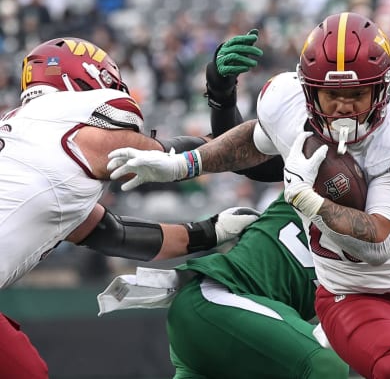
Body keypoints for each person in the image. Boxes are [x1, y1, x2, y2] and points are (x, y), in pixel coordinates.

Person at [105, 12, 390, 378]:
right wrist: (181, 160)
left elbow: (379, 242)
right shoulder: (299, 131)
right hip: (247, 297)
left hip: (275, 304)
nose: (343, 108)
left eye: (356, 93)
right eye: (331, 95)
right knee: (342, 365)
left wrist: (309, 201)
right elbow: (252, 150)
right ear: (308, 93)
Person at [0, 36, 264, 378]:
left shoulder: (32, 151)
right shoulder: (72, 128)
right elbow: (171, 154)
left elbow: (116, 235)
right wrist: (260, 140)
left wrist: (210, 231)